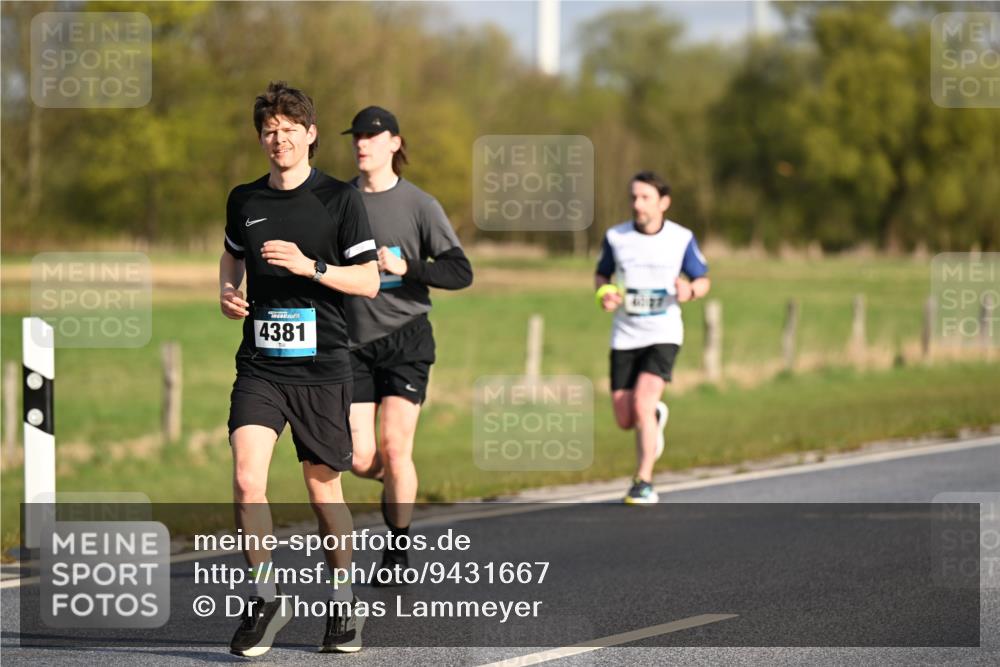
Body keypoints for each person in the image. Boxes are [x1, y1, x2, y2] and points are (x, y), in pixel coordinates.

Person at [219, 81, 379, 655]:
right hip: (261, 366)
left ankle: (343, 603)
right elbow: (232, 254)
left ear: (310, 135)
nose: (278, 139)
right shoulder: (245, 199)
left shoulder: (339, 200)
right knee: (245, 480)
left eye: (289, 130)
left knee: (322, 491)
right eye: (269, 131)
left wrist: (312, 268)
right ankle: (265, 600)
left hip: (322, 367)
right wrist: (227, 291)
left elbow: (368, 281)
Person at [341, 106, 473, 582]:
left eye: (372, 137)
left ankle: (397, 553)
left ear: (395, 144)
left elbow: (461, 271)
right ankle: (400, 481)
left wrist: (408, 267)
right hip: (352, 343)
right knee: (359, 459)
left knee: (396, 448)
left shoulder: (420, 205)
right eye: (357, 136)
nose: (362, 144)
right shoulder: (339, 202)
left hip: (406, 339)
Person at [594, 171, 710, 504]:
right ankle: (655, 418)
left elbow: (703, 279)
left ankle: (643, 481)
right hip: (625, 335)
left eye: (645, 197)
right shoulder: (616, 237)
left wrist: (689, 290)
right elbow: (602, 273)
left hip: (664, 333)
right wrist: (604, 292)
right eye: (633, 197)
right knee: (624, 418)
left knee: (642, 404)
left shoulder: (680, 238)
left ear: (664, 203)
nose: (637, 204)